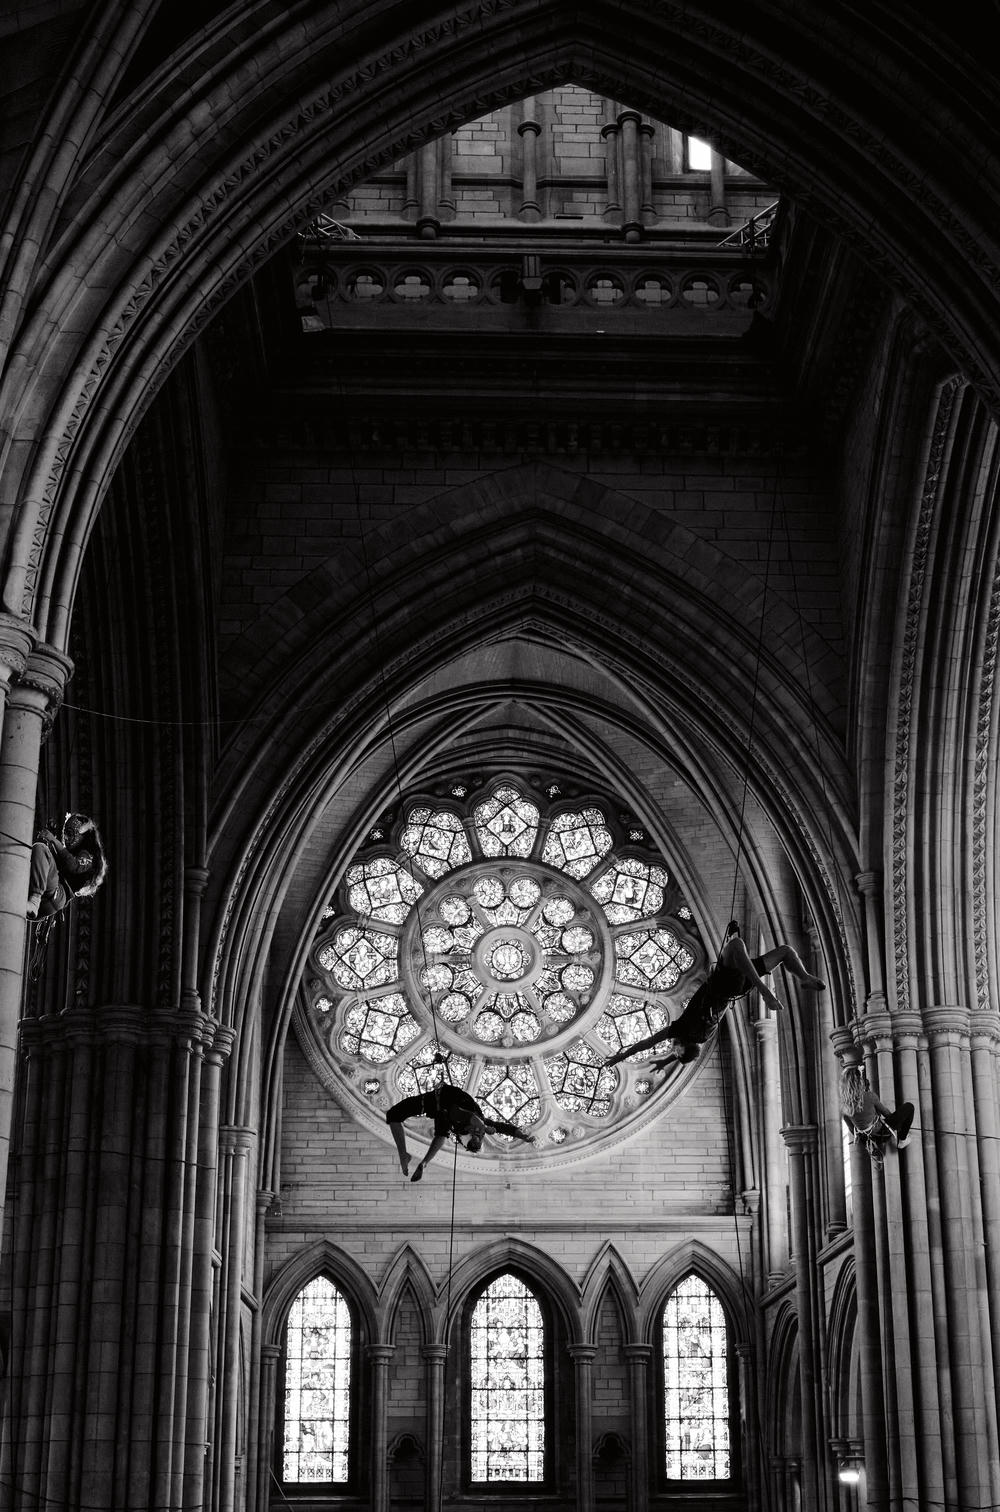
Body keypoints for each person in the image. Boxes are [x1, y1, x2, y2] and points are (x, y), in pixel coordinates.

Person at [605, 920, 825, 1070]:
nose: (672, 1047)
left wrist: (666, 1061)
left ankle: (804, 978)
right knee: (736, 945)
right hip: (725, 980)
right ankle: (769, 988)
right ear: (681, 1046)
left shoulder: (700, 1038)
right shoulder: (681, 1029)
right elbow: (646, 1043)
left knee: (784, 952)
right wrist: (621, 1056)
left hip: (738, 988)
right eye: (675, 1049)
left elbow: (683, 1052)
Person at [386, 1083, 534, 1182]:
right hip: (441, 1105)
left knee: (396, 1117)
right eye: (480, 1136)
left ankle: (421, 1162)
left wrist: (424, 1162)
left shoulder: (463, 1124)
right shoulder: (473, 1120)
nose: (479, 1134)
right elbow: (499, 1126)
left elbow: (467, 1121)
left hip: (434, 1105)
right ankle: (409, 1157)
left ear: (467, 1137)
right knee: (395, 1116)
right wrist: (519, 1134)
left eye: (476, 1135)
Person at [26, 813, 107, 920]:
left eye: (69, 833)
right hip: (50, 903)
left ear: (83, 835)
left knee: (40, 848)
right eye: (65, 833)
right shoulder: (71, 854)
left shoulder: (88, 856)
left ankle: (35, 898)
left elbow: (73, 865)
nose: (65, 838)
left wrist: (54, 841)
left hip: (58, 894)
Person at [839, 1060, 913, 1169]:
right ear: (859, 1082)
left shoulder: (844, 1107)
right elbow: (887, 1114)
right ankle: (902, 1140)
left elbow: (852, 1130)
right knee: (909, 1107)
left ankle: (873, 1146)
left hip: (867, 1138)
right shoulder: (869, 1096)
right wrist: (899, 1122)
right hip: (882, 1132)